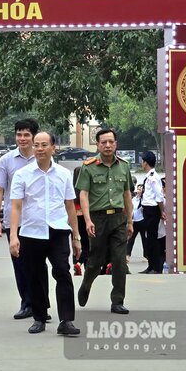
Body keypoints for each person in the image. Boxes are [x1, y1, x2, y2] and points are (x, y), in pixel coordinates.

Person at [9, 131, 81, 336]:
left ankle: (67, 320)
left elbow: (70, 206)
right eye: (36, 145)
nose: (39, 149)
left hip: (58, 231)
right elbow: (16, 207)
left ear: (53, 148)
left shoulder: (63, 174)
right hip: (31, 231)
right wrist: (14, 236)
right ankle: (39, 317)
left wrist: (76, 237)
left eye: (43, 145)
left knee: (62, 271)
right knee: (35, 275)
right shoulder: (23, 175)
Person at [0, 118, 49, 319]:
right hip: (14, 221)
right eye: (19, 134)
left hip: (38, 220)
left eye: (26, 134)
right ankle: (27, 303)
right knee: (20, 263)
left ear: (34, 136)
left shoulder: (43, 157)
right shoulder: (6, 161)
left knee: (40, 264)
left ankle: (42, 305)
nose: (22, 138)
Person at [76, 128, 134, 315]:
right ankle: (86, 284)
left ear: (116, 144)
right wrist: (87, 220)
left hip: (118, 218)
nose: (108, 145)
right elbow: (83, 195)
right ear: (98, 145)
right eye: (103, 142)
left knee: (119, 261)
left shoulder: (124, 166)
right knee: (96, 261)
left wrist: (130, 222)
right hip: (97, 218)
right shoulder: (88, 166)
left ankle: (117, 300)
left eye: (111, 142)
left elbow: (127, 195)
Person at [139, 151, 165, 274]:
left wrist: (162, 211)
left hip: (153, 210)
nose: (141, 163)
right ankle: (150, 266)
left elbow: (159, 196)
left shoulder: (154, 177)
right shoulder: (149, 176)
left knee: (153, 239)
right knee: (149, 239)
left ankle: (156, 267)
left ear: (146, 162)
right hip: (147, 210)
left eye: (142, 161)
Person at [126, 184, 146, 268]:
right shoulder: (133, 199)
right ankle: (127, 255)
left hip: (142, 221)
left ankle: (146, 255)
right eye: (138, 189)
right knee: (131, 239)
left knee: (144, 239)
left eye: (140, 189)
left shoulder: (145, 200)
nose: (139, 191)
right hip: (134, 221)